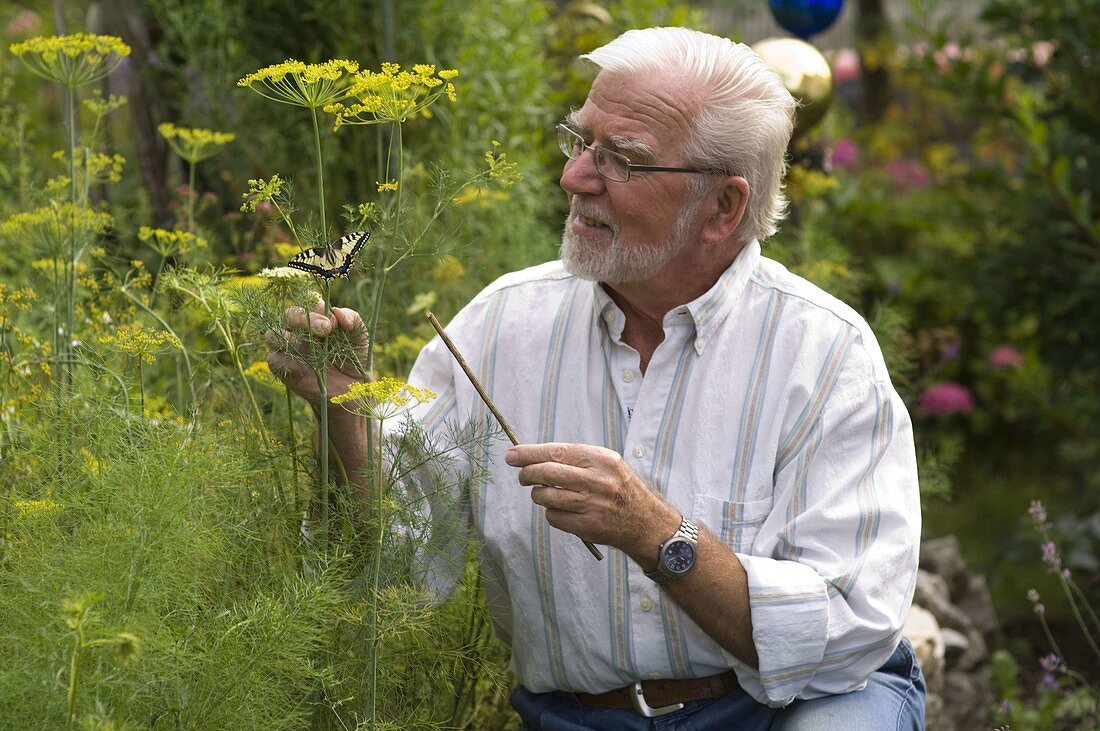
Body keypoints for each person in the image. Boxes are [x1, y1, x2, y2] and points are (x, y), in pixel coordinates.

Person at [268, 27, 925, 730]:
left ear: (724, 207)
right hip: (580, 718)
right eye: (579, 142)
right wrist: (341, 413)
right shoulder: (500, 325)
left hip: (791, 707)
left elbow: (847, 627)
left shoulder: (823, 354)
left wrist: (658, 535)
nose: (575, 177)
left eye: (624, 160)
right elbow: (386, 569)